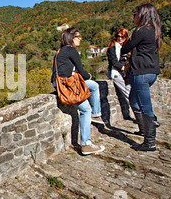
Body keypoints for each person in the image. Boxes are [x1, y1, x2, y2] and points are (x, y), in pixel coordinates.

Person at [51, 27, 105, 156]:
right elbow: (81, 70)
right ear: (70, 38)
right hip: (69, 85)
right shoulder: (71, 50)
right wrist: (88, 76)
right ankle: (87, 143)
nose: (80, 38)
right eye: (77, 36)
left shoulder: (60, 51)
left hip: (60, 83)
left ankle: (95, 116)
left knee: (93, 87)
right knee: (88, 104)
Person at [121, 3, 162, 152]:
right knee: (133, 100)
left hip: (141, 74)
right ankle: (144, 129)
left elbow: (126, 48)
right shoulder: (155, 30)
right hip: (151, 73)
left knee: (146, 108)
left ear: (142, 15)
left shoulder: (141, 31)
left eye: (135, 13)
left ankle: (149, 142)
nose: (134, 16)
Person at [107, 28, 131, 99]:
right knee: (127, 93)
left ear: (126, 37)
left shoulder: (126, 48)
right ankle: (136, 108)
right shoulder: (112, 48)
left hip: (126, 73)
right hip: (115, 72)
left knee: (130, 89)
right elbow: (114, 62)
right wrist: (124, 68)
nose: (120, 38)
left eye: (122, 37)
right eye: (118, 36)